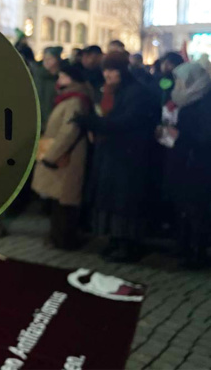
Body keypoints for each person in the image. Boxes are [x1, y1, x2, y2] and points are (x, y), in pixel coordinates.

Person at [74, 52, 159, 262]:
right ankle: (115, 239)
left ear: (122, 70)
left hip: (130, 157)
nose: (107, 74)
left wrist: (92, 123)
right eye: (105, 70)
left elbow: (126, 122)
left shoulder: (136, 92)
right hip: (112, 154)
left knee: (125, 202)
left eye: (112, 69)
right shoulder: (113, 91)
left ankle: (129, 244)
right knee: (111, 199)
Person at [32, 65, 93, 249]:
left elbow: (69, 131)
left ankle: (64, 240)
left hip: (66, 157)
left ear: (71, 79)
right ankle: (57, 237)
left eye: (63, 76)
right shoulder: (68, 98)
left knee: (65, 202)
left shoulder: (76, 101)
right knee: (58, 201)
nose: (59, 79)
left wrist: (51, 155)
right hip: (60, 155)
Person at [160, 62, 211, 268]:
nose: (177, 85)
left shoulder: (204, 104)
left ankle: (197, 252)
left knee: (196, 209)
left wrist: (180, 136)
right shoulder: (187, 101)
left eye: (182, 81)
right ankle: (184, 246)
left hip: (198, 165)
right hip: (183, 162)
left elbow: (205, 137)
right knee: (183, 206)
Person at [31, 46, 62, 131]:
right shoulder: (38, 76)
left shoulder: (62, 77)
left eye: (50, 58)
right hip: (41, 121)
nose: (46, 62)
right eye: (45, 59)